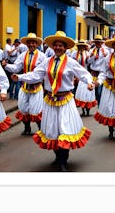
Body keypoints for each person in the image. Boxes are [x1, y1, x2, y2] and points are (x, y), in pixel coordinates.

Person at [11, 31, 95, 171]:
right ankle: (57, 157)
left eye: (60, 45)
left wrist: (89, 82)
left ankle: (63, 160)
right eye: (55, 45)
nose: (57, 48)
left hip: (65, 100)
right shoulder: (47, 61)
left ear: (65, 48)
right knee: (52, 130)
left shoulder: (70, 62)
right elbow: (36, 75)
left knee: (65, 129)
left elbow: (83, 73)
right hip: (50, 100)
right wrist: (19, 77)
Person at [2, 33, 45, 135]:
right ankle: (27, 128)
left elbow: (45, 72)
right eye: (29, 43)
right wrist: (6, 65)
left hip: (36, 87)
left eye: (33, 43)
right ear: (27, 44)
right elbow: (16, 67)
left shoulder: (42, 56)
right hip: (25, 86)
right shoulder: (23, 55)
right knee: (23, 108)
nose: (31, 45)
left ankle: (41, 130)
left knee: (36, 110)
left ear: (37, 44)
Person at [71, 39, 97, 116]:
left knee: (87, 93)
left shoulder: (87, 53)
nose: (81, 47)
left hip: (85, 74)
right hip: (76, 74)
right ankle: (83, 110)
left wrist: (92, 57)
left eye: (83, 46)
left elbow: (88, 62)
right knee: (80, 93)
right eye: (80, 46)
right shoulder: (74, 54)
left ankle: (88, 110)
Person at [87, 34, 110, 105]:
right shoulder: (91, 51)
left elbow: (108, 62)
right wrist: (93, 57)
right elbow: (88, 62)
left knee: (100, 91)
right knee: (94, 90)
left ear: (102, 43)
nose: (98, 44)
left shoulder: (106, 51)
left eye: (99, 42)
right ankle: (96, 103)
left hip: (102, 73)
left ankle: (100, 104)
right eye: (96, 42)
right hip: (94, 72)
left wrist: (105, 57)